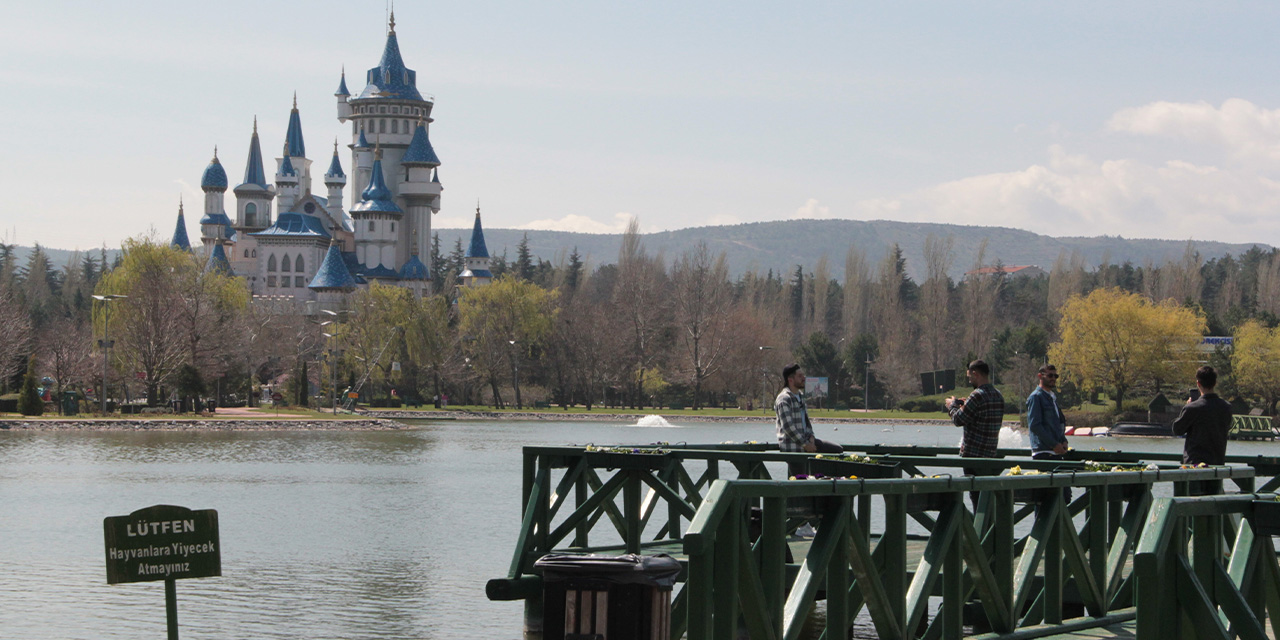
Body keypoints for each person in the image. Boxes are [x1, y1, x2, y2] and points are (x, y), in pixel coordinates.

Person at [946, 360, 1005, 505]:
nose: (969, 380)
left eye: (970, 377)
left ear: (975, 373)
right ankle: (988, 526)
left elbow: (958, 420)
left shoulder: (976, 395)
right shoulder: (998, 395)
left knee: (976, 497)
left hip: (973, 455)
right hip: (990, 454)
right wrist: (964, 406)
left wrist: (952, 406)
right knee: (986, 498)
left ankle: (978, 527)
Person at [775, 364, 843, 475]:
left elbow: (806, 423)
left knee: (837, 450)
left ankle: (829, 486)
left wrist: (811, 437)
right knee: (799, 482)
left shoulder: (800, 396)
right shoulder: (784, 399)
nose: (804, 378)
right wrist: (805, 444)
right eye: (800, 376)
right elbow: (788, 427)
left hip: (807, 443)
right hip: (793, 448)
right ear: (790, 380)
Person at [1172, 365, 1233, 466]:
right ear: (1215, 383)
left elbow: (1177, 429)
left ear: (1198, 383)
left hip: (1194, 464)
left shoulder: (1192, 408)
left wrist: (1187, 406)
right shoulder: (1226, 407)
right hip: (1217, 465)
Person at [1027, 364, 1069, 460]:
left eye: (1055, 376)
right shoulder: (1036, 397)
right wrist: (1054, 444)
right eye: (1050, 375)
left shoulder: (1052, 398)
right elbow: (1035, 425)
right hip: (1043, 452)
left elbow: (1059, 423)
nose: (1053, 378)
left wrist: (1063, 440)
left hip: (1056, 452)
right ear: (1040, 376)